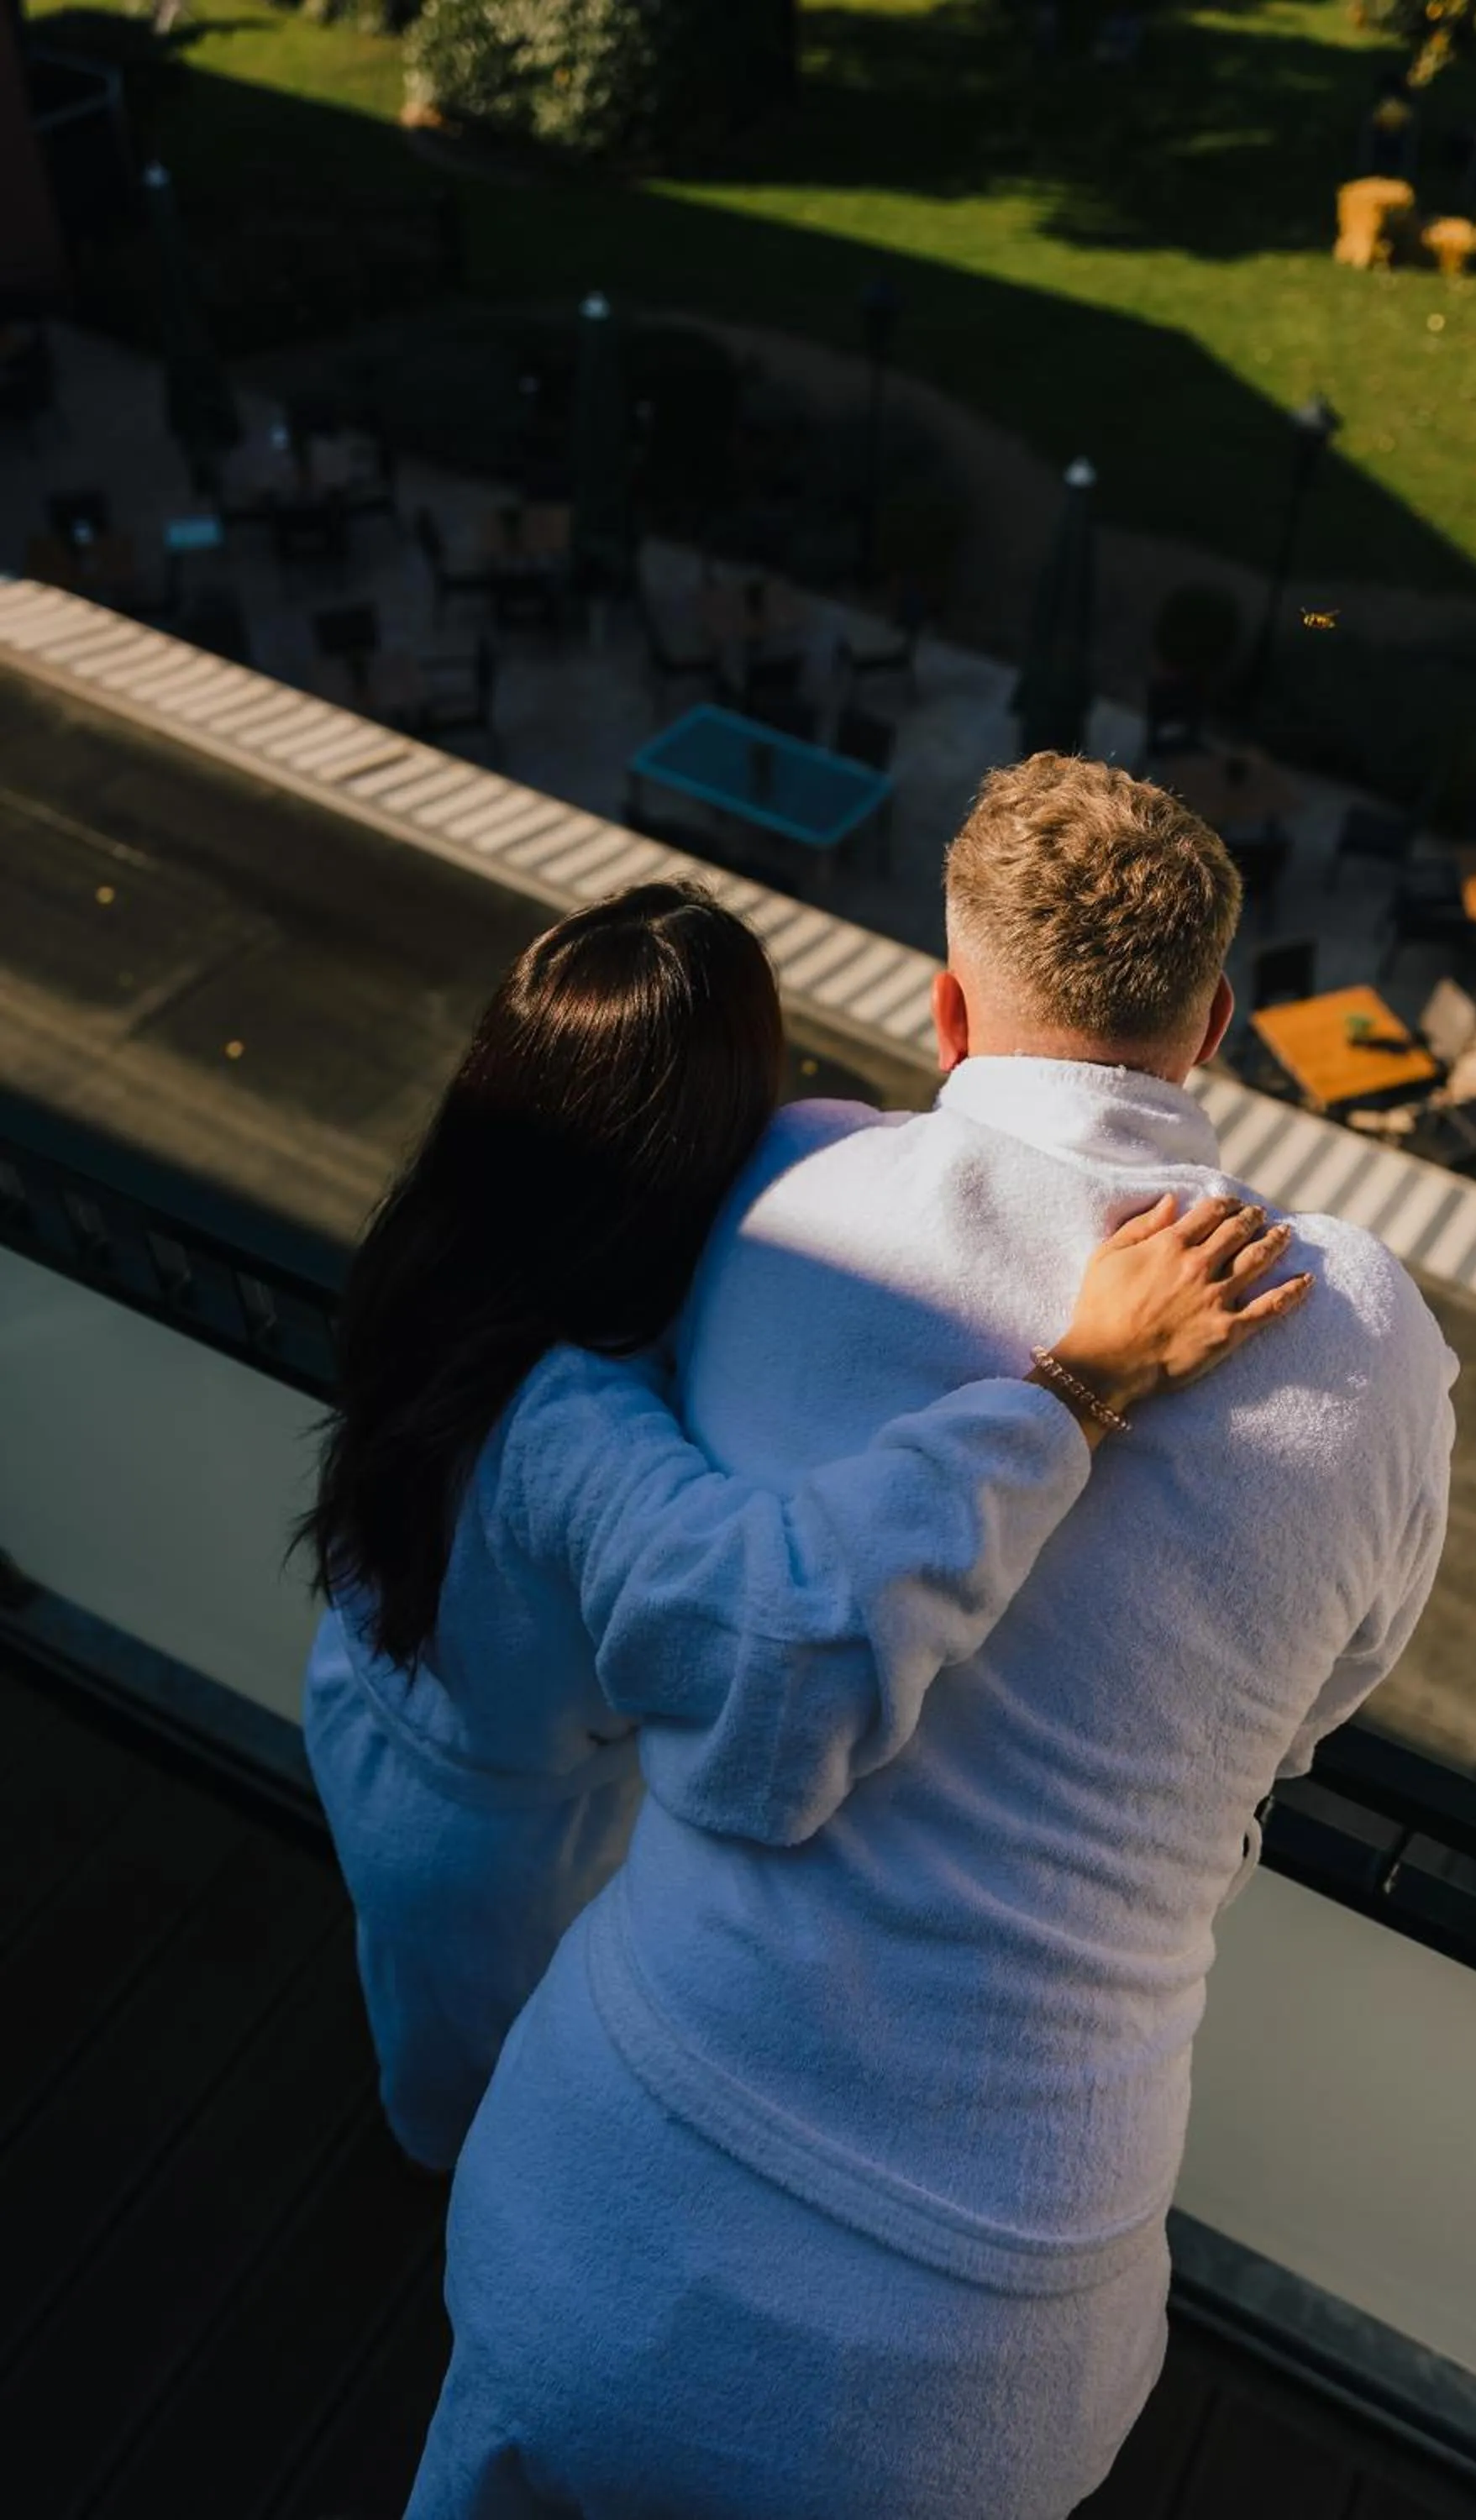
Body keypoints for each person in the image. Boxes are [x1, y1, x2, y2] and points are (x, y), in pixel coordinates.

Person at [407, 763, 1458, 2520]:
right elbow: (1328, 1691)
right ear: (1211, 1022)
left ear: (947, 1003)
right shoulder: (1361, 1335)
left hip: (610, 2190)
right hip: (989, 2347)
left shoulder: (797, 1189)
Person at [298, 880, 1307, 2173]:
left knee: (424, 2035)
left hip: (369, 1704)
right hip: (495, 1854)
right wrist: (1079, 1384)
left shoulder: (448, 1250)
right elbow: (783, 1632)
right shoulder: (568, 1419)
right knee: (480, 2126)